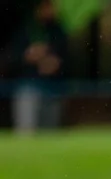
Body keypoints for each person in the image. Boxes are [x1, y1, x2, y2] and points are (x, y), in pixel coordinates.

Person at [7, 0, 67, 133]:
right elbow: (11, 59)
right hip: (28, 86)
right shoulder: (24, 29)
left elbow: (66, 58)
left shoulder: (58, 30)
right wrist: (27, 56)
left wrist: (55, 62)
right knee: (26, 130)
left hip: (52, 87)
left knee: (50, 131)